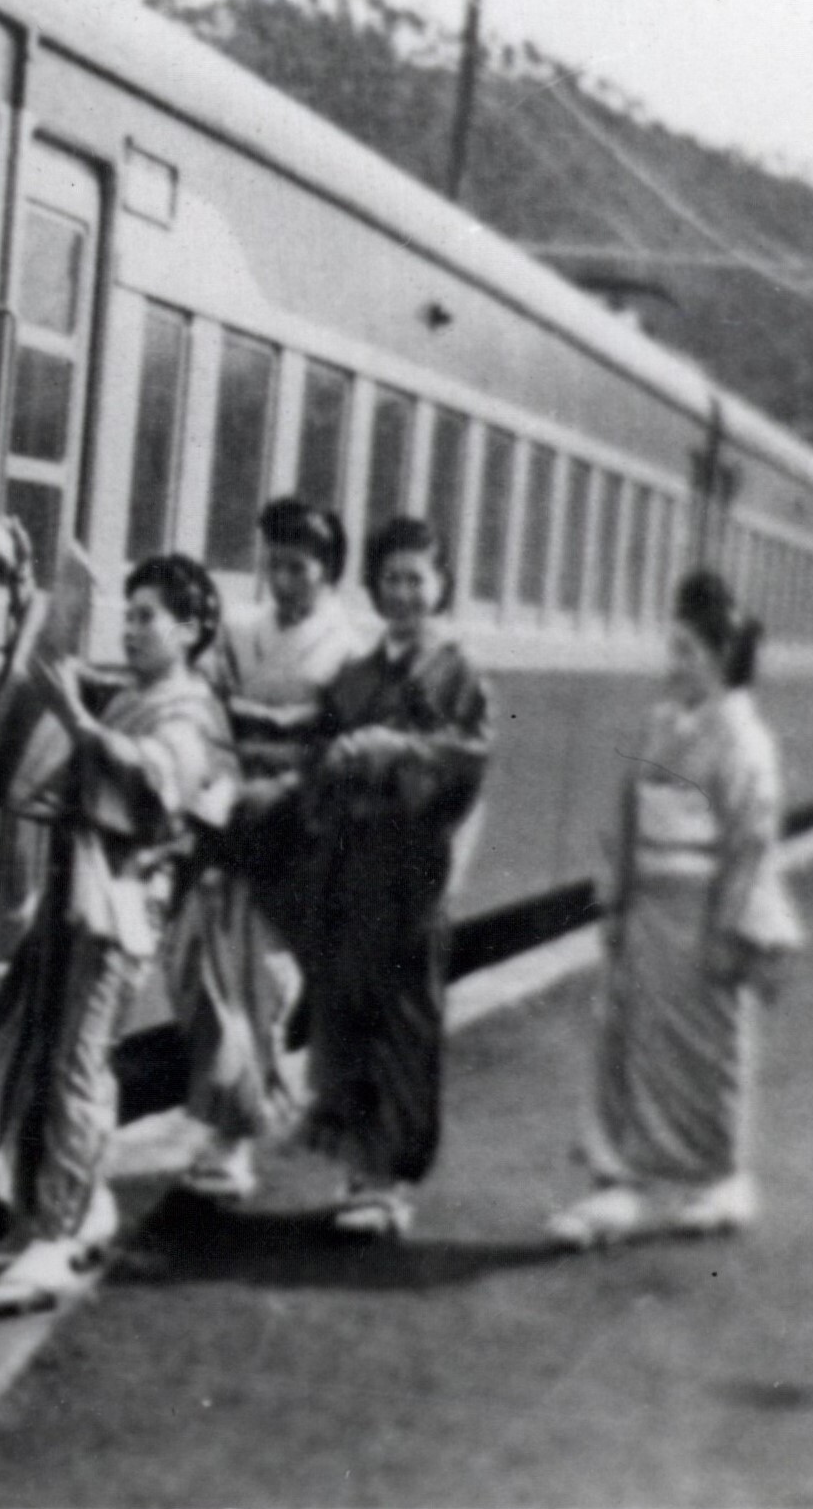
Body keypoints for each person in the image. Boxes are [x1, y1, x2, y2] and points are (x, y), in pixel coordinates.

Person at [0, 553, 237, 1312]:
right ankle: (77, 1207)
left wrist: (83, 727)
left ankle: (57, 1230)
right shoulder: (142, 695)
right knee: (58, 1049)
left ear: (190, 629)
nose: (132, 626)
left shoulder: (190, 709)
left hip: (118, 908)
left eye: (149, 615)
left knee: (80, 1061)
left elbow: (165, 785)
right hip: (83, 896)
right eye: (130, 611)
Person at [548, 570, 802, 1249]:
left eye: (688, 650)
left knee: (708, 1050)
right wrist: (617, 899)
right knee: (624, 1041)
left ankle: (718, 1179)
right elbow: (627, 815)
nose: (675, 663)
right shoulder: (662, 725)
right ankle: (619, 1181)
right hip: (649, 909)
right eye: (674, 647)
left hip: (704, 912)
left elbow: (751, 843)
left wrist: (733, 929)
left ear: (722, 657)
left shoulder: (744, 741)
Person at [290, 515, 492, 1239]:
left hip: (413, 875)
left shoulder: (458, 673)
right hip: (353, 870)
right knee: (348, 1016)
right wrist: (332, 759)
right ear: (373, 586)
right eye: (392, 578)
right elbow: (314, 754)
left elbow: (468, 759)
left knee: (404, 1021)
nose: (404, 592)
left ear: (441, 588)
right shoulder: (355, 673)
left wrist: (395, 749)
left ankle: (390, 1180)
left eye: (418, 579)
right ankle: (358, 1172)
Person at [170, 499, 373, 1203]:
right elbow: (209, 711)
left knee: (268, 984)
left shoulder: (348, 650)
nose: (283, 580)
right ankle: (230, 1130)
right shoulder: (240, 631)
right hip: (231, 821)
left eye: (299, 567)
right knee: (217, 977)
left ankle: (237, 1141)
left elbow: (340, 748)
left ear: (329, 574)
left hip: (299, 833)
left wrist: (283, 773)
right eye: (275, 564)